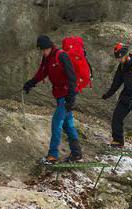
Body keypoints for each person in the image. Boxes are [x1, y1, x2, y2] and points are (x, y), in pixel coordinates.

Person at [23, 35, 82, 165]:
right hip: (60, 95)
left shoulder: (61, 56)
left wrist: (71, 98)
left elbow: (72, 76)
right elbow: (42, 72)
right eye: (41, 50)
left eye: (44, 49)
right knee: (68, 125)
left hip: (67, 96)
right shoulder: (47, 58)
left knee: (56, 122)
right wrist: (31, 83)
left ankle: (52, 155)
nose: (43, 52)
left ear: (49, 47)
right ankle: (77, 153)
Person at [102, 43, 132, 151]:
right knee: (117, 116)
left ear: (126, 55)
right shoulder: (122, 66)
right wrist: (108, 94)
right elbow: (116, 82)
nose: (119, 60)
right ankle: (118, 140)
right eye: (118, 58)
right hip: (127, 94)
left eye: (120, 57)